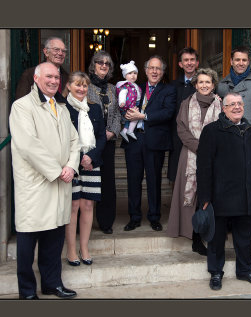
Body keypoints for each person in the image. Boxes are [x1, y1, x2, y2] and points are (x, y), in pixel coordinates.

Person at [9, 62, 80, 299]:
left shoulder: (61, 106)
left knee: (54, 237)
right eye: (48, 76)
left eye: (57, 77)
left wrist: (71, 166)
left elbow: (74, 141)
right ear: (37, 79)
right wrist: (57, 170)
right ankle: (27, 292)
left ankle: (52, 284)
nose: (53, 81)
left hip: (61, 182)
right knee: (28, 240)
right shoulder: (22, 107)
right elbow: (28, 145)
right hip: (37, 184)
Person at [196, 92, 251, 291]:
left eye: (239, 103)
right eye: (232, 104)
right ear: (223, 108)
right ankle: (216, 272)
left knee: (245, 237)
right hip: (220, 196)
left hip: (246, 196)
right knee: (216, 239)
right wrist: (205, 197)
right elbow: (204, 166)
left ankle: (245, 270)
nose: (237, 107)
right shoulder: (212, 131)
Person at [167, 68, 221, 256]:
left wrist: (209, 151)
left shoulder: (221, 105)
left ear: (213, 85)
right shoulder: (186, 103)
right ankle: (195, 239)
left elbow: (222, 130)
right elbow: (181, 130)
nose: (204, 85)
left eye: (208, 82)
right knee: (192, 197)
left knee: (210, 196)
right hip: (189, 155)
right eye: (201, 82)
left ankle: (210, 234)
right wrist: (201, 148)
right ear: (195, 84)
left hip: (216, 158)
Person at [121, 55, 176, 232]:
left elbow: (168, 113)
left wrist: (143, 116)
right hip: (134, 140)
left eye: (158, 68)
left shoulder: (168, 90)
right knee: (133, 180)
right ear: (145, 71)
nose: (154, 71)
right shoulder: (136, 88)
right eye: (151, 68)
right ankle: (134, 217)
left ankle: (154, 217)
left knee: (154, 181)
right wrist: (127, 115)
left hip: (155, 142)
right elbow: (123, 105)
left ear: (162, 72)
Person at [64, 71, 107, 266]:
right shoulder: (62, 108)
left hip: (92, 163)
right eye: (77, 85)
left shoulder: (95, 108)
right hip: (70, 165)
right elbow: (62, 139)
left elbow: (100, 137)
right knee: (73, 206)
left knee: (87, 205)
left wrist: (91, 157)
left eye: (84, 86)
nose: (81, 89)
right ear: (68, 86)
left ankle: (84, 247)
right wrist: (81, 158)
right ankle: (71, 250)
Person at [87, 51, 121, 234]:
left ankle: (106, 222)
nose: (104, 65)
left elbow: (117, 113)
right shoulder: (86, 86)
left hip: (108, 142)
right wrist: (98, 135)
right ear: (94, 64)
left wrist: (112, 132)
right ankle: (83, 222)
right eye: (100, 62)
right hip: (90, 142)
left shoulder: (113, 88)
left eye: (107, 63)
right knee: (89, 181)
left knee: (108, 182)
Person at [216, 45, 251, 140]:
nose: (241, 63)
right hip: (227, 137)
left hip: (249, 136)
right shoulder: (222, 85)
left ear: (248, 62)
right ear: (231, 61)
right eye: (237, 60)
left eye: (244, 60)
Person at [167, 47, 199, 183]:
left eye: (192, 60)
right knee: (178, 175)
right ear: (180, 64)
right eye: (186, 60)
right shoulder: (173, 86)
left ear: (197, 63)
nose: (189, 63)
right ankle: (178, 204)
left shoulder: (204, 84)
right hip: (178, 136)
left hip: (198, 136)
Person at [116, 60, 142, 142]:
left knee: (131, 119)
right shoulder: (125, 85)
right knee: (135, 117)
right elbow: (122, 94)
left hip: (135, 104)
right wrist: (122, 102)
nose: (133, 75)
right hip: (128, 105)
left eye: (135, 73)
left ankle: (124, 131)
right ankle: (130, 131)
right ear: (125, 75)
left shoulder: (135, 85)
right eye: (130, 73)